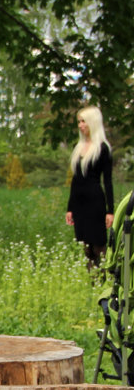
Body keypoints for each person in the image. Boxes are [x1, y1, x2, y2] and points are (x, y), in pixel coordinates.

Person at [66, 104, 115, 268]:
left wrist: (110, 210)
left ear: (92, 122)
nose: (80, 125)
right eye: (79, 122)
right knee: (86, 248)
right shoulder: (78, 148)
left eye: (83, 121)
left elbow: (107, 181)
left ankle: (104, 283)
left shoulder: (103, 148)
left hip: (95, 202)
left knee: (98, 245)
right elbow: (75, 179)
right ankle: (92, 284)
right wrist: (70, 208)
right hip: (80, 204)